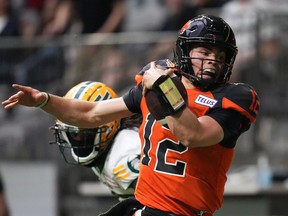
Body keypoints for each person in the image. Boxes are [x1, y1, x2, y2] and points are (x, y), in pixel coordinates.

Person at [2, 14, 260, 216]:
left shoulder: (235, 97)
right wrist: (44, 100)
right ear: (186, 52)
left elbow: (192, 134)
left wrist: (165, 88)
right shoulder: (161, 83)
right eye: (205, 53)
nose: (213, 60)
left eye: (219, 55)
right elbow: (91, 113)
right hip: (146, 208)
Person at [50, 81, 141, 201]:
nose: (78, 140)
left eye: (84, 133)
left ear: (109, 126)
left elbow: (163, 201)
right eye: (73, 133)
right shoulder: (106, 151)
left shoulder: (124, 152)